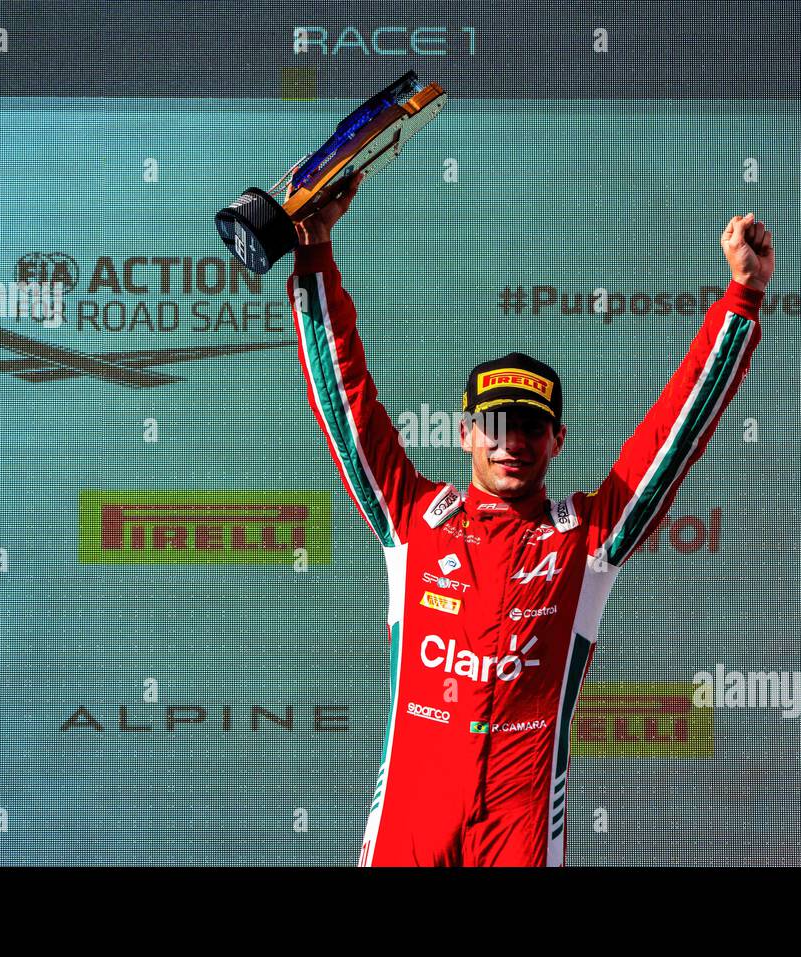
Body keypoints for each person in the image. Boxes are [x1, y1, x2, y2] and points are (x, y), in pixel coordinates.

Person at [285, 170, 773, 866]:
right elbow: (345, 401)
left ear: (557, 439)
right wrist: (315, 254)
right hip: (411, 822)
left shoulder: (588, 540)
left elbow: (676, 431)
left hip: (520, 826)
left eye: (530, 428)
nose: (511, 443)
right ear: (464, 433)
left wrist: (742, 295)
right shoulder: (414, 518)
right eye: (494, 425)